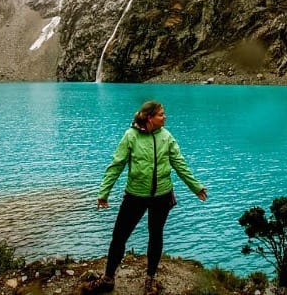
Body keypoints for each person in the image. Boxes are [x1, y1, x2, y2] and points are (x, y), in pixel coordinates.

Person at [81, 101, 207, 295]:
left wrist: (195, 187)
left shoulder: (166, 137)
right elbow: (117, 164)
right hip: (135, 195)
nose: (165, 117)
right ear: (149, 118)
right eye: (161, 114)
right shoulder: (130, 136)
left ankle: (150, 279)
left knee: (156, 236)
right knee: (119, 237)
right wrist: (103, 193)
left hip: (162, 196)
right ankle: (108, 278)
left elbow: (180, 164)